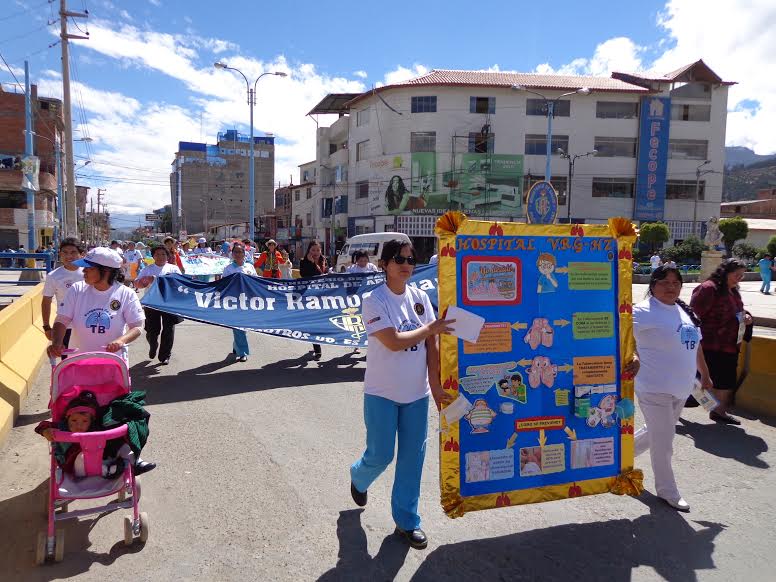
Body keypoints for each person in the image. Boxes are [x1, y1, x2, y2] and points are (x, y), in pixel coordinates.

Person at [349, 239, 454, 549]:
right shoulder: (374, 300)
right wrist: (430, 329)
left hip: (416, 395)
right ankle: (359, 476)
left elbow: (431, 350)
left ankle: (407, 521)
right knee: (381, 455)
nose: (406, 264)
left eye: (411, 258)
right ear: (384, 265)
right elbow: (393, 341)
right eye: (399, 259)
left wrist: (436, 392)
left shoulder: (421, 297)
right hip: (381, 393)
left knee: (413, 460)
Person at [632, 265, 712, 512]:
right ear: (652, 285)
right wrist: (633, 355)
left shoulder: (683, 311)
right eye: (664, 282)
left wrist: (705, 374)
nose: (670, 287)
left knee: (654, 432)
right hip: (653, 387)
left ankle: (619, 457)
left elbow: (696, 346)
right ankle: (668, 491)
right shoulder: (642, 311)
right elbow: (619, 334)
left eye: (675, 283)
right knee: (664, 442)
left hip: (682, 388)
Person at [690, 258, 751, 425]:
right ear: (725, 272)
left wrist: (746, 317)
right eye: (736, 274)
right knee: (697, 382)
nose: (739, 277)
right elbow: (693, 316)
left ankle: (719, 412)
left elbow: (739, 311)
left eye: (742, 275)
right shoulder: (709, 289)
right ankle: (674, 409)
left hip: (729, 345)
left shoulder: (733, 291)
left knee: (725, 381)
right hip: (709, 345)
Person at [135, 246, 183, 365]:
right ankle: (153, 344)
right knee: (152, 330)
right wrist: (142, 282)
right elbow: (138, 283)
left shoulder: (173, 268)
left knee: (168, 329)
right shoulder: (148, 269)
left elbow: (180, 283)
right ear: (153, 256)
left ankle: (165, 355)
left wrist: (156, 279)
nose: (160, 257)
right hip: (152, 302)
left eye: (163, 254)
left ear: (167, 256)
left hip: (169, 303)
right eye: (157, 254)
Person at [41, 238, 85, 353]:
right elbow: (46, 301)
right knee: (68, 363)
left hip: (87, 326)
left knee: (88, 361)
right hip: (65, 327)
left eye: (73, 252)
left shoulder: (89, 273)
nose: (68, 256)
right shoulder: (53, 276)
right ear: (60, 254)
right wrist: (46, 327)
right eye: (64, 252)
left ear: (81, 254)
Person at [221, 243, 257, 362]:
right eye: (235, 252)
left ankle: (237, 346)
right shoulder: (228, 268)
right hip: (234, 302)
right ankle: (243, 352)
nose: (238, 254)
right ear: (232, 254)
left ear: (244, 253)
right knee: (239, 327)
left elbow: (257, 282)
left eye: (240, 252)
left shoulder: (250, 267)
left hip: (248, 301)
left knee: (242, 327)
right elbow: (223, 285)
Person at [299, 240, 328, 359]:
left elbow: (325, 275)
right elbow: (305, 275)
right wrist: (311, 263)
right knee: (314, 322)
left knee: (322, 321)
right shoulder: (303, 262)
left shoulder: (324, 260)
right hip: (310, 296)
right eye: (313, 250)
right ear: (309, 251)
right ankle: (317, 348)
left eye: (318, 250)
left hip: (323, 295)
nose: (315, 252)